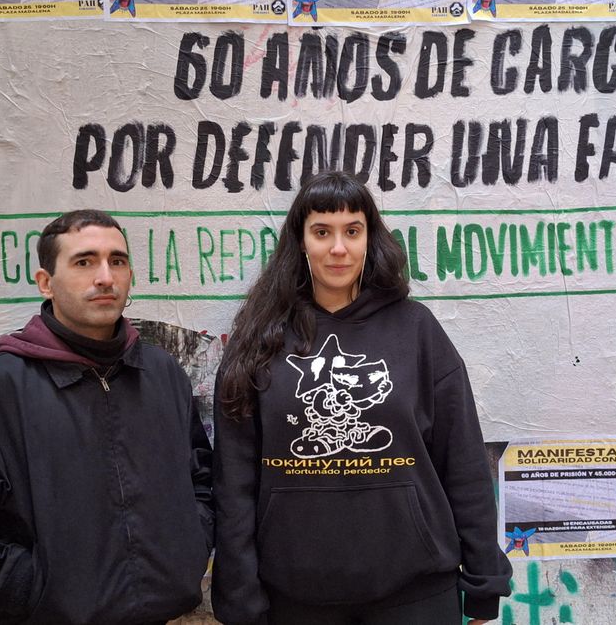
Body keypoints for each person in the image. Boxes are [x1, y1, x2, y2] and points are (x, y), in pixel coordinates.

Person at [212, 172, 511, 625]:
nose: (338, 248)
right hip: (294, 597)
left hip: (416, 592)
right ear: (301, 242)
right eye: (322, 232)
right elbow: (233, 484)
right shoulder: (260, 340)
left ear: (370, 239)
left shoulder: (416, 329)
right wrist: (239, 600)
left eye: (352, 231)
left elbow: (463, 463)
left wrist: (485, 583)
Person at [0, 209, 213, 624]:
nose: (105, 277)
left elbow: (201, 482)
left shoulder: (163, 376)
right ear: (46, 283)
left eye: (117, 261)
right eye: (84, 262)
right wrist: (37, 590)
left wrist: (190, 547)